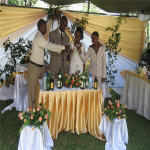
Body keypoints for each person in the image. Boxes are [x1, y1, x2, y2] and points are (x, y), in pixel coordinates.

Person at [27, 19, 69, 108]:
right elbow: (49, 46)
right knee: (32, 91)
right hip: (34, 67)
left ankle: (38, 109)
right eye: (45, 27)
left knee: (40, 89)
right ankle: (31, 113)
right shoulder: (39, 38)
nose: (46, 29)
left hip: (40, 67)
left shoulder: (41, 37)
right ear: (40, 27)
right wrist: (63, 47)